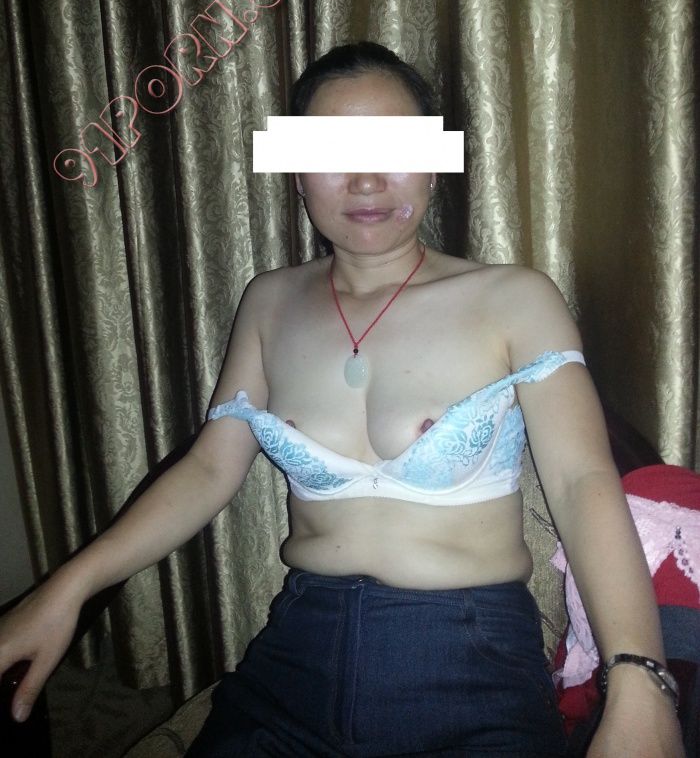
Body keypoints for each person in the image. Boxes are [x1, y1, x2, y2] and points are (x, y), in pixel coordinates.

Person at [0, 42, 684, 757]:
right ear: (297, 173)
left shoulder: (514, 297)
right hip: (294, 656)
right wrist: (66, 588)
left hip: (472, 664)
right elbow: (208, 469)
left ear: (435, 161)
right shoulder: (269, 301)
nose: (365, 179)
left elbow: (581, 482)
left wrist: (640, 678)